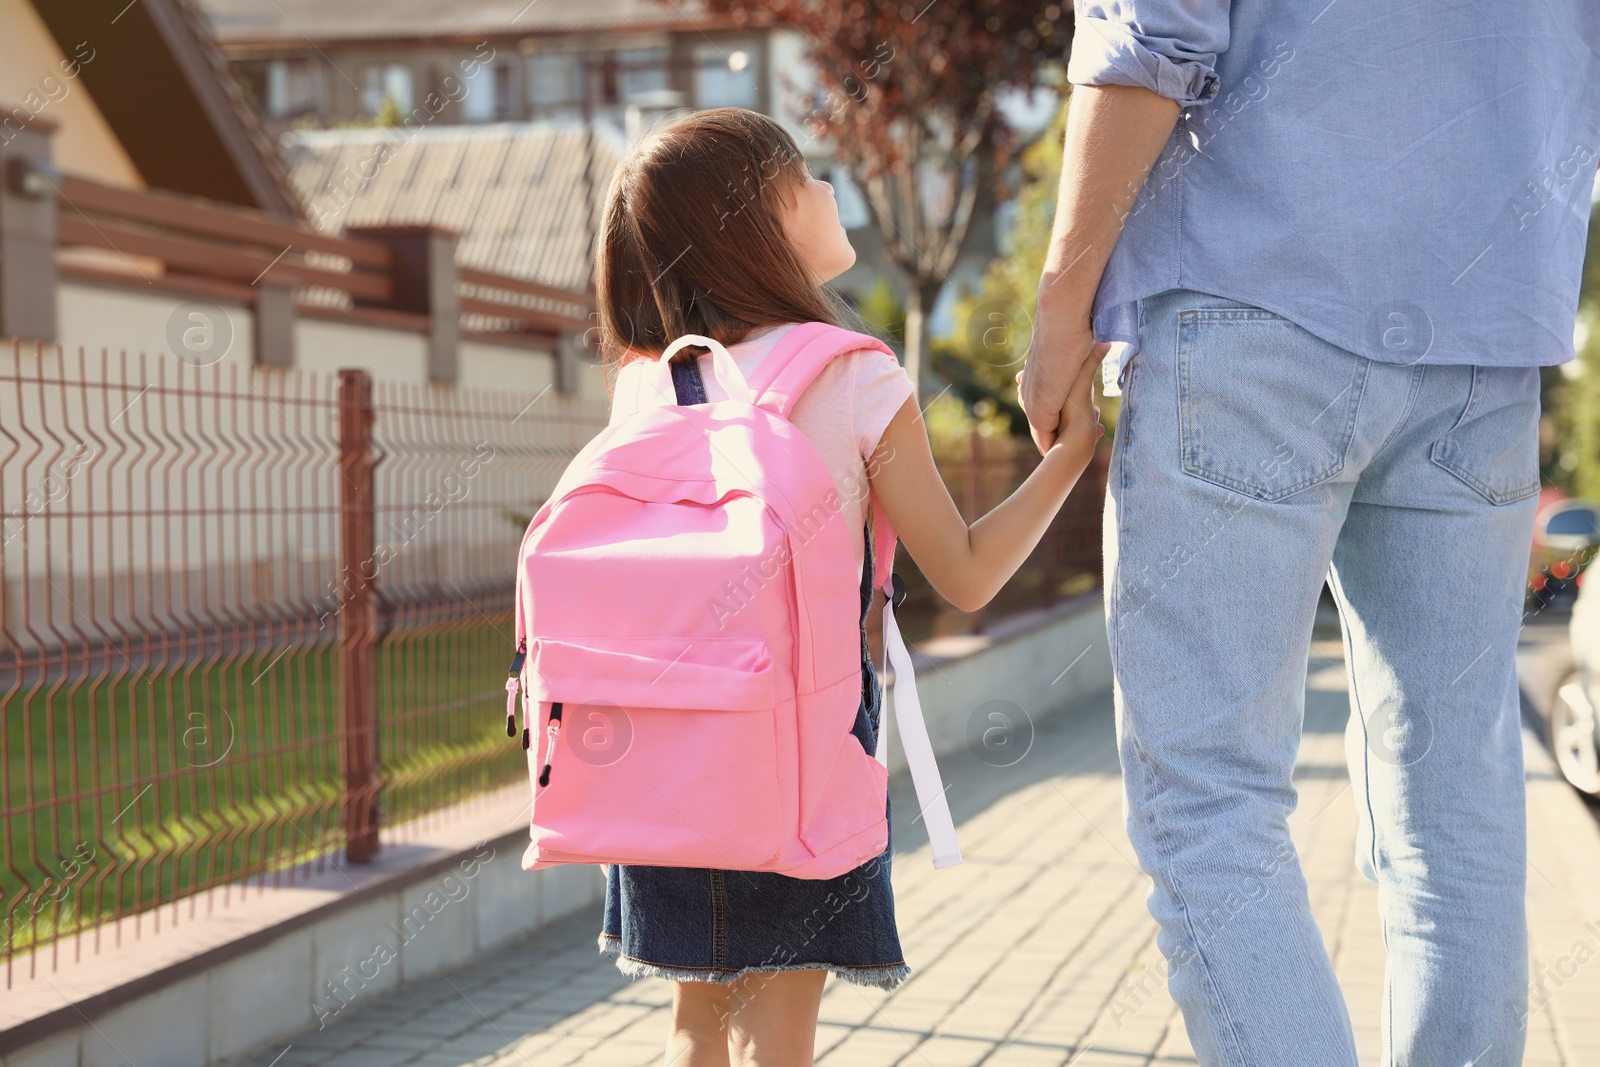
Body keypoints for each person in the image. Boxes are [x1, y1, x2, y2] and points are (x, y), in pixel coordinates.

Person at [1017, 3, 1600, 1065]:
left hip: (1253, 297)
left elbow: (1156, 34)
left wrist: (1062, 306)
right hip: (1483, 341)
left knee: (1211, 801)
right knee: (1456, 794)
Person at [592, 108, 1102, 1067]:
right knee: (778, 1037)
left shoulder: (649, 381)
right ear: (763, 224)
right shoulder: (856, 374)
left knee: (695, 1030)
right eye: (807, 180)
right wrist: (1072, 454)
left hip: (664, 738)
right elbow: (966, 569)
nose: (830, 193)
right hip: (800, 736)